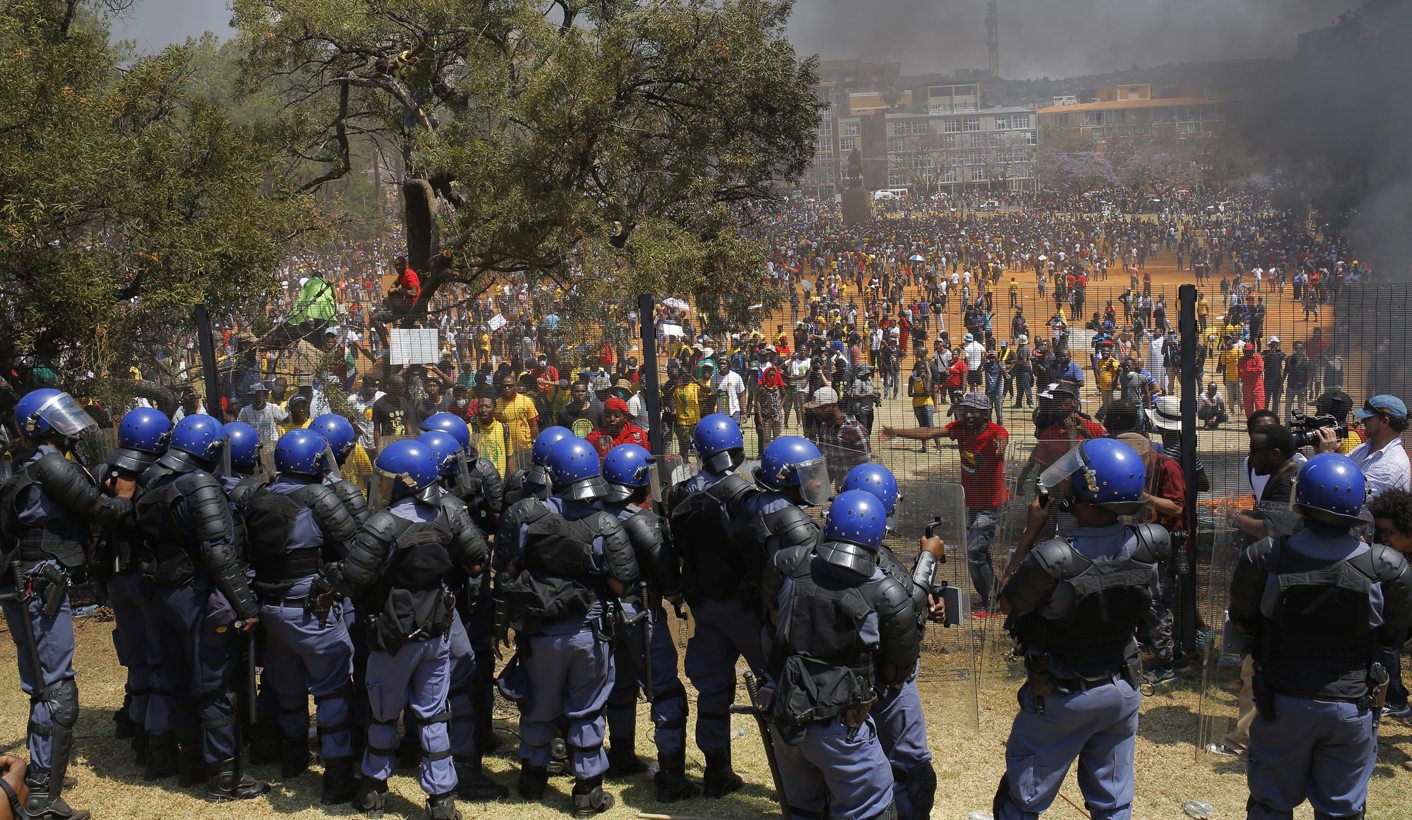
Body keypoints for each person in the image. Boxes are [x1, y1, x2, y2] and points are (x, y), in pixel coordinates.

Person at [1228, 453, 1412, 819]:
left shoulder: (1266, 556)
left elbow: (1244, 618)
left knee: (1270, 803)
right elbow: (1394, 636)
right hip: (1351, 703)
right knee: (1341, 810)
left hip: (1282, 698)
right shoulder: (1386, 567)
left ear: (1299, 499)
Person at [992, 437, 1167, 820]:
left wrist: (1030, 532)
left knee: (1023, 799)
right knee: (1114, 801)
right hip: (1122, 689)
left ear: (1082, 495)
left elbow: (1005, 602)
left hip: (1063, 695)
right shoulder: (1148, 545)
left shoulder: (1055, 557)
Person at [1, 390, 138, 820]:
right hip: (41, 586)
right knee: (57, 691)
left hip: (31, 585)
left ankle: (38, 786)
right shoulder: (49, 463)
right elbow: (102, 509)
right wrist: (128, 493)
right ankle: (41, 796)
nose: (72, 423)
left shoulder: (31, 465)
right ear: (37, 425)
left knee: (45, 686)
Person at [336, 439, 488, 819]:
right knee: (434, 713)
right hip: (437, 626)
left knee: (384, 712)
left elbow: (353, 581)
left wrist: (332, 576)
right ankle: (441, 800)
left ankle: (374, 790)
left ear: (405, 480)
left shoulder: (382, 523)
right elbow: (476, 561)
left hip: (392, 632)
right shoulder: (450, 513)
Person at [493, 437, 638, 817]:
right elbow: (623, 584)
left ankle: (532, 780)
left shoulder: (522, 514)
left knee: (537, 705)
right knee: (587, 709)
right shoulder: (604, 521)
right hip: (588, 633)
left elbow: (506, 573)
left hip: (538, 633)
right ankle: (587, 793)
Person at [760, 490, 921, 820]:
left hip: (783, 710)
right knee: (871, 806)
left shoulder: (787, 564)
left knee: (803, 806)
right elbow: (895, 673)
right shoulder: (886, 592)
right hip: (840, 726)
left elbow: (773, 616)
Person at [133, 413, 268, 800]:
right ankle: (226, 779)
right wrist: (247, 607)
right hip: (197, 594)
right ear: (208, 450)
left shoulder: (152, 484)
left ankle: (190, 764)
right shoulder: (200, 483)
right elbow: (219, 553)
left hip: (163, 595)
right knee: (214, 688)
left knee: (179, 683)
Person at [242, 429, 360, 802]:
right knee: (333, 692)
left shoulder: (257, 497)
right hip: (312, 609)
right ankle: (338, 776)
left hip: (270, 609)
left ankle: (292, 757)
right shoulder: (319, 497)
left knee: (288, 689)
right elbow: (354, 548)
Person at [839, 463, 947, 820]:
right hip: (887, 675)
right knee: (913, 769)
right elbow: (906, 603)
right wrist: (928, 558)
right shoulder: (876, 557)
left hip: (839, 677)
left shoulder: (822, 554)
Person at [597, 444, 698, 802]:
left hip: (602, 617)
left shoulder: (593, 512)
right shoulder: (641, 521)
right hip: (640, 615)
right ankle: (672, 779)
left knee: (620, 686)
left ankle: (621, 755)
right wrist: (677, 595)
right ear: (637, 481)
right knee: (667, 692)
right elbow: (667, 573)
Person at [667, 414, 761, 797]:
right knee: (776, 683)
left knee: (711, 688)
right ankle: (797, 773)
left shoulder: (680, 492)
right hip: (745, 605)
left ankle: (716, 772)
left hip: (703, 604)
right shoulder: (741, 493)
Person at [90, 407, 171, 762]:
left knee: (137, 660)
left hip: (115, 579)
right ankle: (155, 741)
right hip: (144, 578)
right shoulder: (153, 476)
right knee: (158, 662)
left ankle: (137, 727)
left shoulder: (103, 471)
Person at [881, 393, 1009, 615]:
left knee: (974, 551)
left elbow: (1003, 438)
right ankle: (991, 594)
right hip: (972, 502)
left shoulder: (996, 432)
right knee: (979, 552)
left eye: (973, 411)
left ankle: (993, 602)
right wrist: (897, 432)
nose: (967, 415)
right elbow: (929, 433)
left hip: (992, 502)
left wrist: (1001, 446)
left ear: (986, 414)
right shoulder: (960, 428)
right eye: (965, 410)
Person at [1116, 433, 1188, 685]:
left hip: (1165, 543)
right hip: (1140, 540)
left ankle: (1166, 663)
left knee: (1158, 603)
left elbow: (1177, 507)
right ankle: (1170, 653)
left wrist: (1145, 497)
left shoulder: (1167, 467)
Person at [737, 435, 827, 558]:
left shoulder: (754, 501)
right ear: (784, 476)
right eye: (811, 475)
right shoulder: (794, 524)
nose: (818, 482)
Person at [1319, 394, 1411, 500]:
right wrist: (1321, 449)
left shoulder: (1392, 465)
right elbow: (1341, 469)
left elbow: (1352, 499)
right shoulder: (1365, 448)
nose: (1363, 421)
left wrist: (1325, 455)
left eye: (1368, 418)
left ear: (1385, 421)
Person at [808, 387, 872, 489]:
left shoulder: (854, 430)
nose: (816, 412)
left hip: (858, 489)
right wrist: (818, 485)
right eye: (814, 408)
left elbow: (866, 468)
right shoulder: (824, 427)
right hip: (840, 491)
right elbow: (830, 465)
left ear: (833, 405)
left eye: (820, 408)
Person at [494, 372, 540, 465]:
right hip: (505, 449)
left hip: (525, 448)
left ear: (515, 387)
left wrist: (534, 443)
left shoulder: (526, 401)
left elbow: (533, 425)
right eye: (504, 386)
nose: (507, 388)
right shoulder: (496, 404)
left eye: (510, 386)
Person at [710, 359, 747, 424]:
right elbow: (713, 396)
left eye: (724, 363)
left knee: (735, 432)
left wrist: (744, 412)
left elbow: (742, 395)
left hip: (735, 411)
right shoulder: (713, 378)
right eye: (720, 363)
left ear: (728, 365)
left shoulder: (736, 377)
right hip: (721, 413)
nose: (722, 365)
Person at [1239, 343, 1266, 416]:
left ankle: (1260, 424)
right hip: (1247, 387)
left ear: (1252, 351)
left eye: (1248, 351)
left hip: (1258, 386)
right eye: (1245, 351)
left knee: (1260, 407)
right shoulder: (1241, 359)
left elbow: (1260, 370)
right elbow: (1240, 373)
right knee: (1248, 408)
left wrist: (1247, 370)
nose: (1246, 352)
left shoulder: (1258, 357)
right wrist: (1253, 371)